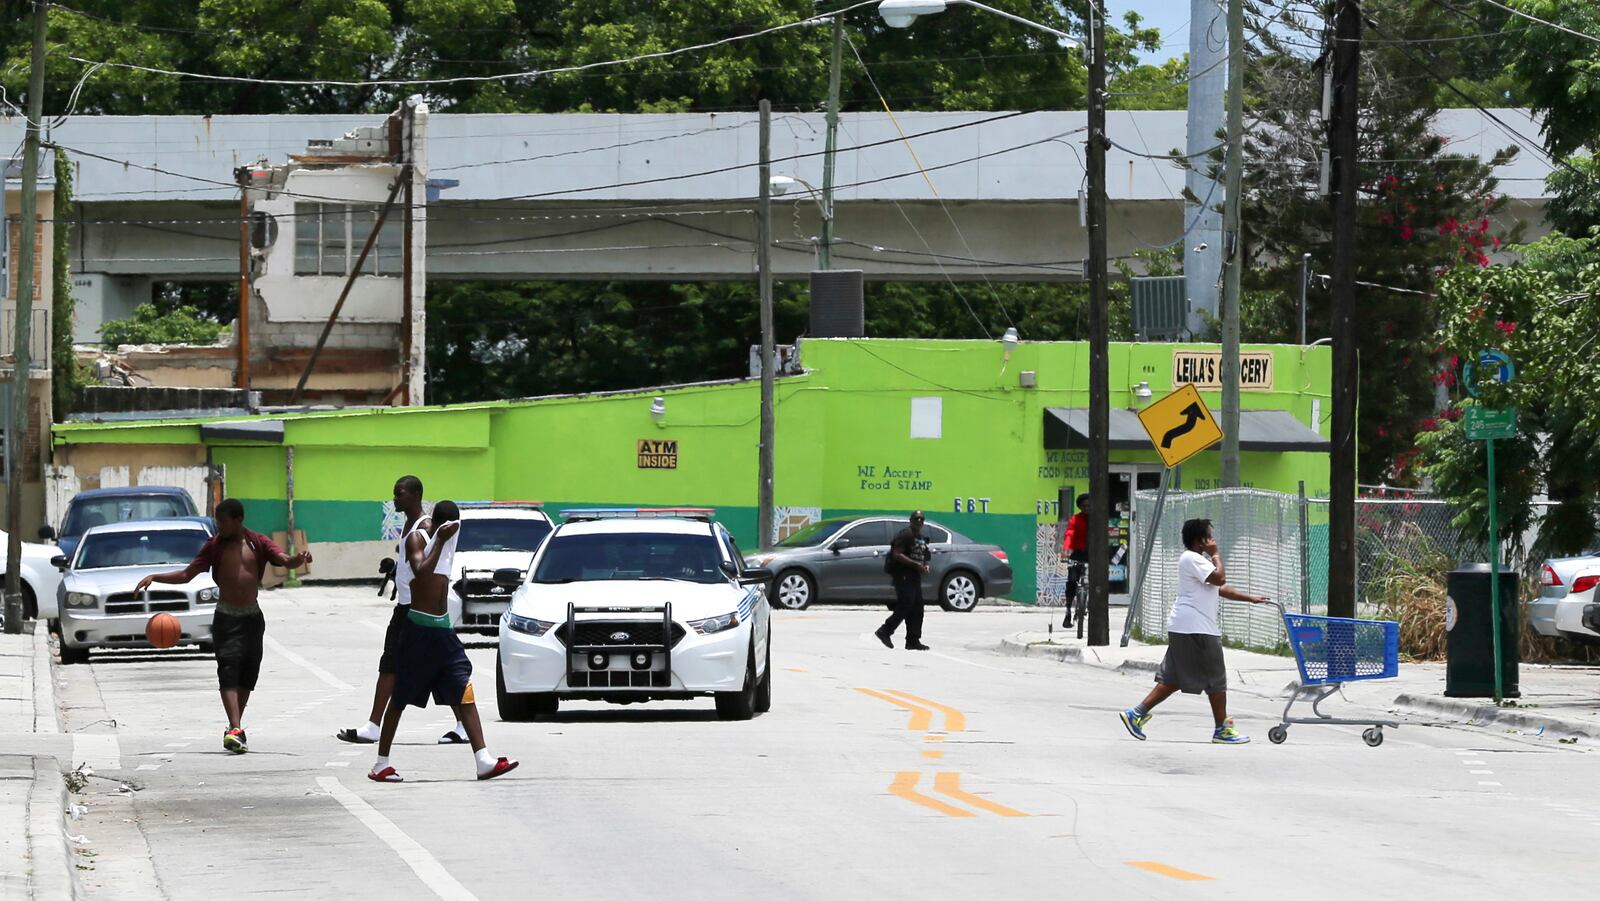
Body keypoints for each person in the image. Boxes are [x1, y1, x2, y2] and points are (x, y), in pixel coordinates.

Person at [136, 498, 311, 754]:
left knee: (248, 674)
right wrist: (155, 577)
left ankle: (235, 730)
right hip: (226, 617)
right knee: (228, 668)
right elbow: (187, 574)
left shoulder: (257, 542)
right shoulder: (214, 546)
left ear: (238, 519)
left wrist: (299, 558)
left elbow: (285, 560)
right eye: (217, 522)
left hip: (252, 618)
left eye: (223, 522)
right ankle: (235, 727)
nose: (219, 527)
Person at [368, 501, 517, 783]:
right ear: (439, 524)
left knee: (463, 687)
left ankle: (483, 759)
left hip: (443, 631)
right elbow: (421, 571)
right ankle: (381, 764)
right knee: (400, 697)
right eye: (450, 527)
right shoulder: (419, 539)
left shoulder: (447, 544)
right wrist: (440, 540)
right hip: (418, 630)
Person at [338, 476, 467, 746]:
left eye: (400, 494)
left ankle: (375, 727)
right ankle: (462, 725)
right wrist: (397, 567)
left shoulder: (425, 526)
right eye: (395, 494)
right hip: (410, 606)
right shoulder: (411, 525)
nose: (396, 498)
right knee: (429, 668)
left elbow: (431, 561)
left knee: (393, 665)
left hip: (415, 609)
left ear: (416, 495)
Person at [1119, 518, 1268, 745]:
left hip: (1186, 627)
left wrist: (1250, 598)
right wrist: (1216, 554)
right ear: (1200, 541)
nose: (1213, 540)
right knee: (1216, 679)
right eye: (1209, 536)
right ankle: (1222, 730)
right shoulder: (1192, 558)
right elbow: (1221, 578)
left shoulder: (1197, 562)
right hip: (1196, 629)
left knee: (1175, 677)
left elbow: (1221, 588)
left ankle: (1136, 713)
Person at [874, 511, 932, 652]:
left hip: (915, 575)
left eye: (921, 519)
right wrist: (915, 565)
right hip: (903, 575)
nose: (919, 521)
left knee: (917, 608)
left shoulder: (920, 537)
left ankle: (913, 640)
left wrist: (924, 565)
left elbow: (924, 556)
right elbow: (897, 554)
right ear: (911, 520)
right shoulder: (905, 534)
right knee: (906, 604)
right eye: (916, 519)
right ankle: (885, 631)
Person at [1060, 494, 1090, 628]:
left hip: (1093, 555)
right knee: (1072, 581)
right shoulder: (1075, 519)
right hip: (1077, 555)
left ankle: (1089, 606)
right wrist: (1066, 549)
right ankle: (1068, 612)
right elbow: (1070, 534)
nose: (1087, 508)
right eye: (1084, 506)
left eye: (1089, 505)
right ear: (1080, 507)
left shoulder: (1097, 519)